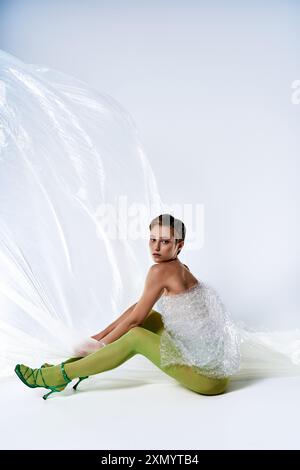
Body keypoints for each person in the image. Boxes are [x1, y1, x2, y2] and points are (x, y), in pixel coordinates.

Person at [14, 214, 238, 399]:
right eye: (152, 239)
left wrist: (102, 345)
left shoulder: (160, 271)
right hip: (210, 365)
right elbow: (138, 309)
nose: (156, 247)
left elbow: (134, 322)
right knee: (148, 314)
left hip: (208, 378)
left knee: (136, 335)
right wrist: (100, 336)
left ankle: (58, 376)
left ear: (179, 245)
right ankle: (72, 365)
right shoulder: (180, 267)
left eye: (165, 241)